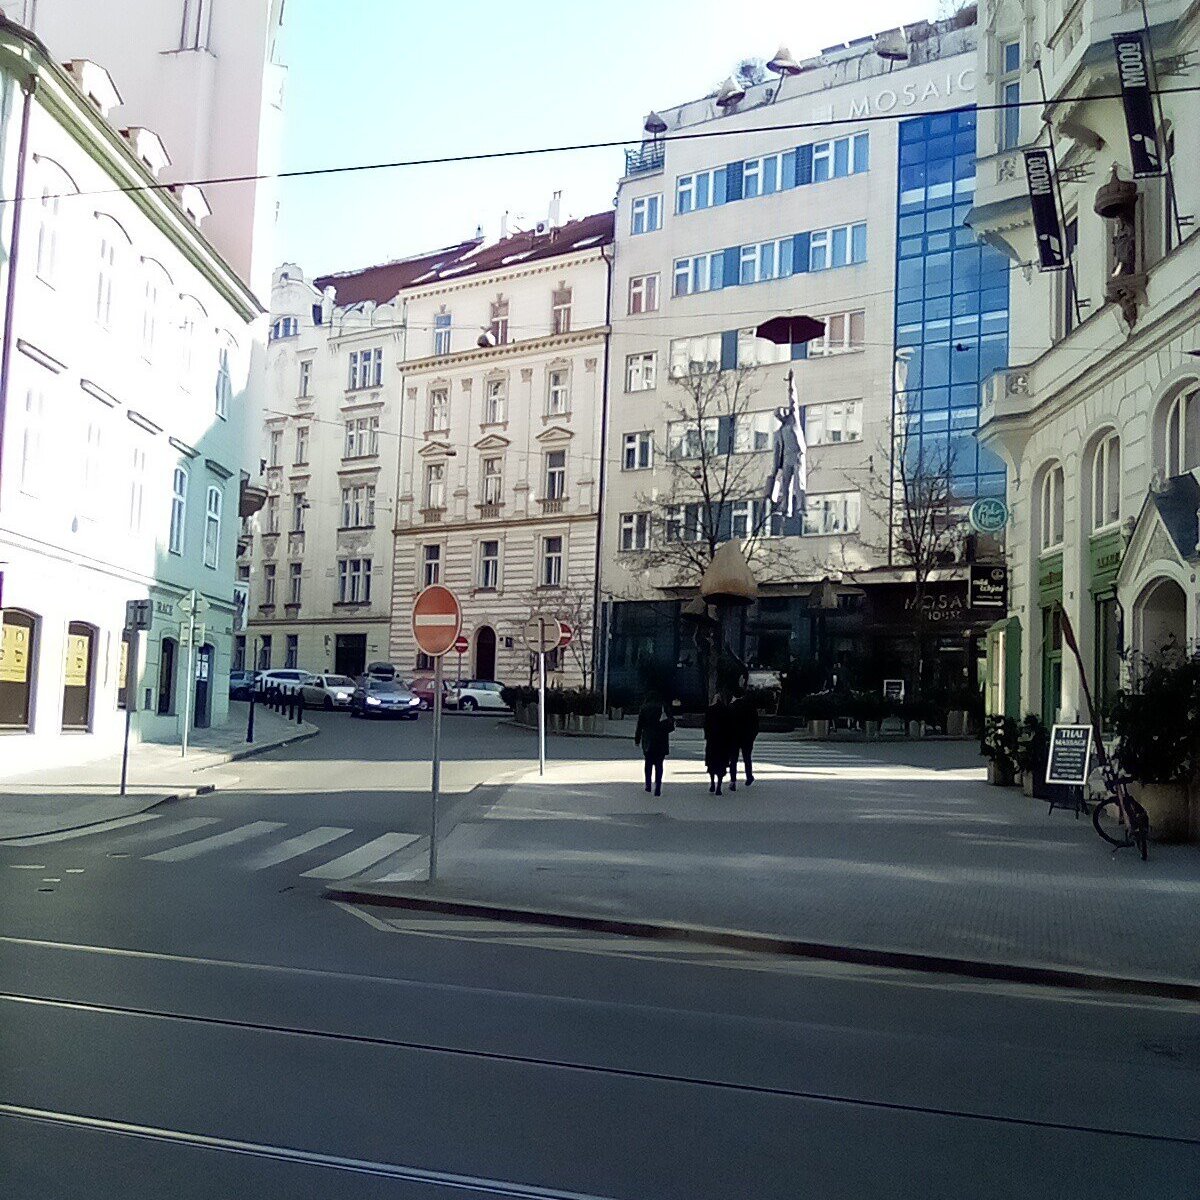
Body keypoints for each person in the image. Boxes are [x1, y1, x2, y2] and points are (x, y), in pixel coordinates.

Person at [634, 693, 674, 797]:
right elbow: (671, 722)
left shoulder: (644, 707)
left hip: (648, 738)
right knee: (659, 764)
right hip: (661, 738)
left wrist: (637, 739)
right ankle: (658, 787)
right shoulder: (663, 706)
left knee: (648, 763)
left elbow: (640, 724)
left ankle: (648, 785)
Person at [728, 687, 759, 790]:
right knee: (747, 758)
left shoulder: (732, 707)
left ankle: (733, 780)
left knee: (733, 759)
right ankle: (749, 776)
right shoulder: (751, 707)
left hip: (734, 737)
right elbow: (755, 724)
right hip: (747, 736)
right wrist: (753, 736)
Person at [703, 692, 732, 795]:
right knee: (721, 764)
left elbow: (706, 725)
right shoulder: (726, 710)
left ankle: (712, 783)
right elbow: (730, 727)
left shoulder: (710, 710)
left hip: (712, 741)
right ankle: (719, 786)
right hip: (723, 741)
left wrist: (707, 736)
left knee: (712, 763)